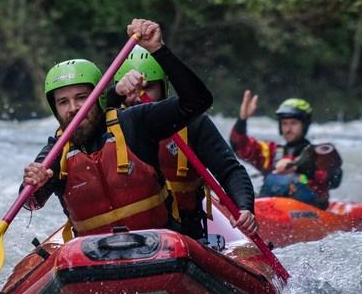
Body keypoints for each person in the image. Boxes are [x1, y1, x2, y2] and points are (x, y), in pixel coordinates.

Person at [22, 19, 255, 239]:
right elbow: (30, 201)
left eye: (82, 98)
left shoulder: (138, 124)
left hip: (172, 244)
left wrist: (158, 49)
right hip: (94, 257)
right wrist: (33, 185)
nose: (73, 109)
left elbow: (197, 103)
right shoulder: (57, 150)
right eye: (63, 102)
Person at [105, 45, 257, 239]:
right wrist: (115, 93)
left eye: (147, 88)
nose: (137, 96)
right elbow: (88, 124)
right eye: (129, 91)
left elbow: (229, 170)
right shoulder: (106, 129)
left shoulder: (192, 124)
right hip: (122, 238)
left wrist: (244, 207)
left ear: (164, 87)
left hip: (186, 237)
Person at [230, 92, 342, 209]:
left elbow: (334, 178)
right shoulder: (271, 152)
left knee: (290, 179)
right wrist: (242, 121)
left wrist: (298, 167)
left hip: (309, 211)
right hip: (273, 210)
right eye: (284, 123)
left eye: (293, 123)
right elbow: (240, 147)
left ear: (304, 125)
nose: (288, 129)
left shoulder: (318, 154)